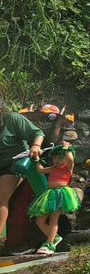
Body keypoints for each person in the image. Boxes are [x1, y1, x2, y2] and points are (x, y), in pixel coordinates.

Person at [0, 103, 44, 243]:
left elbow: (37, 133)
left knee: (1, 198)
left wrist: (36, 146)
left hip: (14, 163)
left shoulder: (12, 119)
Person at [28, 144, 80, 254]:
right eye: (55, 157)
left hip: (60, 194)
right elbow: (40, 171)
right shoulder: (53, 168)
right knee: (39, 221)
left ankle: (50, 244)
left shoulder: (68, 167)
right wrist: (37, 160)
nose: (57, 160)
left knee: (53, 220)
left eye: (60, 157)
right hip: (50, 194)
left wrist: (66, 148)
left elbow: (69, 158)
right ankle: (55, 237)